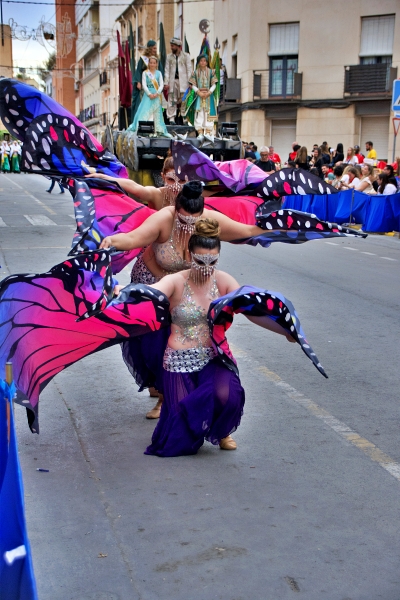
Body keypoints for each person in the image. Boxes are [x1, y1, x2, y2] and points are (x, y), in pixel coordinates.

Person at [123, 218, 295, 457]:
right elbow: (150, 293)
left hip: (213, 357)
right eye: (199, 261)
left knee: (227, 395)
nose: (206, 268)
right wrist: (121, 294)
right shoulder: (175, 281)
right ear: (189, 255)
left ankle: (222, 430)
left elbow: (252, 312)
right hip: (178, 362)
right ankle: (189, 420)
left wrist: (285, 331)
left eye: (212, 262)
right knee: (178, 441)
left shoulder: (224, 282)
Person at [127, 56, 171, 138]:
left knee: (156, 113)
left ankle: (156, 130)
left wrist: (157, 93)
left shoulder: (159, 73)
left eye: (154, 63)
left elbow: (161, 84)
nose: (152, 64)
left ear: (156, 64)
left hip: (156, 96)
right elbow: (144, 85)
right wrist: (149, 94)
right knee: (146, 112)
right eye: (151, 63)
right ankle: (147, 130)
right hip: (148, 96)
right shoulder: (145, 73)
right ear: (148, 63)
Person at [184, 54, 218, 135]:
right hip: (199, 96)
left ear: (207, 62)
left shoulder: (211, 72)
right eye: (201, 61)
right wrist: (199, 92)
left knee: (208, 113)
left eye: (204, 61)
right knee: (199, 112)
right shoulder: (195, 72)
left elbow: (214, 84)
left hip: (209, 96)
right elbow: (193, 85)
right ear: (199, 62)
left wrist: (209, 92)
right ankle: (200, 132)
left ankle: (208, 132)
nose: (203, 62)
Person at [164, 37, 192, 125]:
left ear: (178, 46)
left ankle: (185, 118)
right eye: (171, 46)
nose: (171, 47)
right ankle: (171, 118)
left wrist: (190, 82)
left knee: (184, 99)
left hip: (184, 81)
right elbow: (167, 70)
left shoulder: (186, 56)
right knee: (172, 99)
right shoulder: (169, 57)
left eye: (173, 46)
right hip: (173, 81)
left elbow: (189, 69)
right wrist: (166, 82)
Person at [131, 40, 158, 123]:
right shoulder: (143, 59)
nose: (155, 50)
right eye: (154, 48)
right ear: (149, 48)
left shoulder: (157, 59)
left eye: (156, 48)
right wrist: (138, 82)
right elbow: (138, 71)